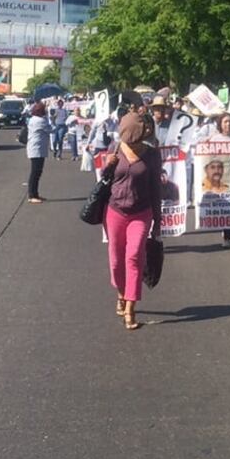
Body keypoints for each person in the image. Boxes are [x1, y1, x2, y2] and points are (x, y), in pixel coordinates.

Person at [103, 112, 162, 331]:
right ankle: (121, 294)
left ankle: (130, 308)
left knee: (134, 257)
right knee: (116, 260)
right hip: (115, 211)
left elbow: (156, 188)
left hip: (141, 212)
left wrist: (158, 220)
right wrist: (107, 165)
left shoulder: (152, 155)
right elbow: (106, 179)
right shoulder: (115, 149)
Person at [209, 113, 230, 247]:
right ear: (220, 124)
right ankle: (226, 237)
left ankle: (227, 234)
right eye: (225, 122)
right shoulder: (215, 139)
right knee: (226, 207)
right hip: (222, 177)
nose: (228, 124)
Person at [25, 103, 52, 204]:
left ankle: (35, 194)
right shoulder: (40, 121)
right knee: (35, 172)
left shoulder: (33, 119)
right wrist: (50, 118)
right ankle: (32, 195)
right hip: (37, 148)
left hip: (35, 147)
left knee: (37, 172)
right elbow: (50, 129)